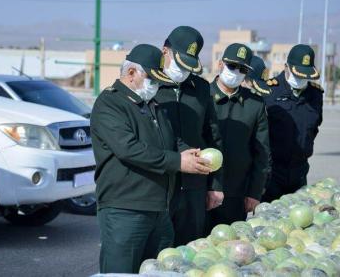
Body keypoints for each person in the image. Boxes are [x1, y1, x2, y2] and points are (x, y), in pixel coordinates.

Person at [91, 44, 212, 274]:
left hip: (159, 211)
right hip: (125, 210)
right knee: (120, 272)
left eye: (159, 80)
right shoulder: (110, 104)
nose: (155, 86)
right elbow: (129, 149)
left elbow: (171, 140)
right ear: (131, 73)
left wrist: (190, 154)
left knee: (158, 270)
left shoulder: (152, 105)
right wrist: (177, 162)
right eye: (151, 79)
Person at [154, 26, 223, 246]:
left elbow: (213, 137)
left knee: (190, 251)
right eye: (179, 62)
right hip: (160, 186)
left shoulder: (201, 88)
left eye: (188, 65)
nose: (183, 71)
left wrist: (216, 185)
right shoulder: (149, 85)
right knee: (157, 254)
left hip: (194, 188)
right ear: (165, 51)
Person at [207, 44, 270, 227]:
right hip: (200, 190)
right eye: (232, 66)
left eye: (242, 69)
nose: (236, 72)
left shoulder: (254, 104)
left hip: (236, 193)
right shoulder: (202, 96)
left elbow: (262, 153)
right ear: (220, 64)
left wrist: (254, 193)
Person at [257, 44, 324, 202]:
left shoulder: (316, 94)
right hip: (273, 173)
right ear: (287, 67)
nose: (300, 79)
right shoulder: (269, 91)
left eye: (304, 75)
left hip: (300, 172)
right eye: (297, 74)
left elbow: (314, 128)